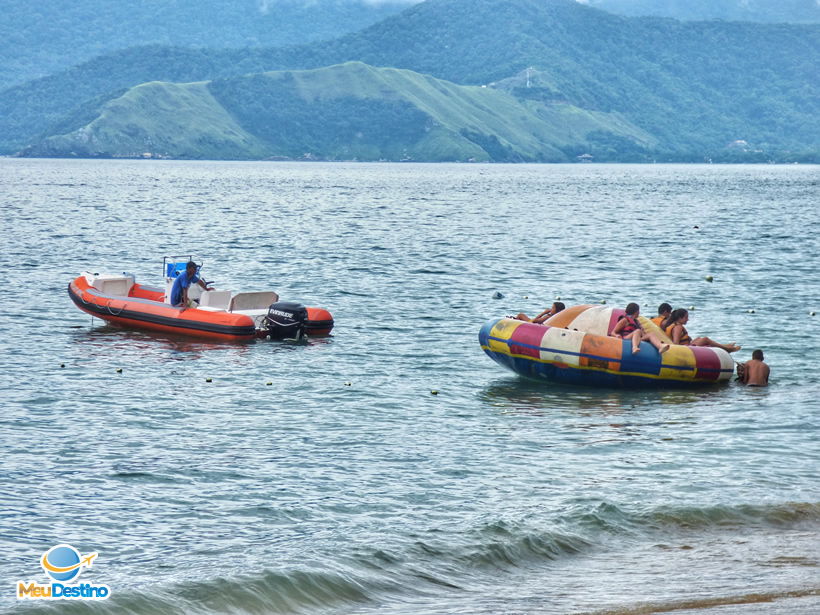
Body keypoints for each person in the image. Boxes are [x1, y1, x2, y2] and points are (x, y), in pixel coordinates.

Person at [662, 308, 740, 352]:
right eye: (686, 317)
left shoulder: (673, 325)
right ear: (679, 318)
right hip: (684, 349)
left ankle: (724, 346)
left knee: (699, 338)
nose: (688, 319)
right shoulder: (677, 327)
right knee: (705, 339)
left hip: (685, 345)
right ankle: (727, 349)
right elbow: (676, 343)